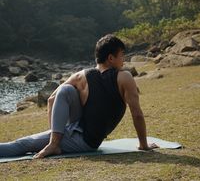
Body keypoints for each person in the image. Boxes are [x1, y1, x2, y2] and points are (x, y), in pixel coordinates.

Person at [0, 34, 158, 158]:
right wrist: (143, 145)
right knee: (23, 144)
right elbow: (136, 114)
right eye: (122, 55)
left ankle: (55, 142)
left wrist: (55, 133)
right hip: (84, 139)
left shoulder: (80, 75)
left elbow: (51, 99)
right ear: (111, 58)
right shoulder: (124, 77)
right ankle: (55, 144)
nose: (124, 60)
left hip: (81, 137)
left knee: (23, 143)